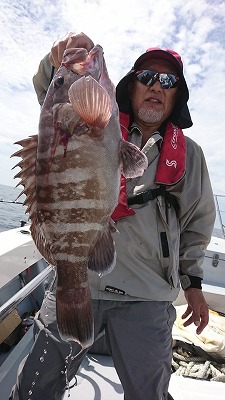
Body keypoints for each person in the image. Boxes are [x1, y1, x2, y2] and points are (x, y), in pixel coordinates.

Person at [10, 32, 216, 400]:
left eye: (167, 81)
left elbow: (198, 223)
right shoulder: (97, 122)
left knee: (148, 393)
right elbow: (53, 93)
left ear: (177, 95)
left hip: (146, 295)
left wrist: (194, 286)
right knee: (32, 389)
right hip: (77, 280)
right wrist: (56, 60)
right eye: (146, 77)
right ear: (130, 85)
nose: (156, 87)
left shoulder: (190, 154)